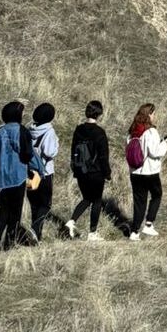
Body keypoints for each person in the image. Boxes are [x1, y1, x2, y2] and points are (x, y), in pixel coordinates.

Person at [0, 101, 34, 251]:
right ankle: (9, 243)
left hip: (2, 178)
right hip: (17, 177)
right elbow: (27, 154)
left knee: (4, 210)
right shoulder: (22, 131)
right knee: (15, 213)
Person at [64, 101, 110, 241]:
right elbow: (103, 156)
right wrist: (107, 173)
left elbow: (73, 150)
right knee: (96, 201)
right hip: (96, 172)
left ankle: (72, 221)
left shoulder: (78, 130)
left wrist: (75, 168)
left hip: (80, 171)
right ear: (99, 114)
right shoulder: (100, 132)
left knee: (86, 198)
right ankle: (92, 233)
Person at [126, 103, 167, 240]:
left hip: (135, 172)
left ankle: (134, 232)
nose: (154, 116)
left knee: (139, 202)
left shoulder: (132, 131)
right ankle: (149, 224)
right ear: (148, 115)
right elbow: (155, 152)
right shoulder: (151, 132)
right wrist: (164, 144)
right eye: (153, 113)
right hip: (149, 172)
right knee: (157, 195)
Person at [27, 103, 59, 242]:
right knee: (45, 205)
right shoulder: (49, 131)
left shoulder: (30, 130)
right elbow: (50, 152)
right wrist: (57, 143)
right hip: (45, 172)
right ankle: (35, 229)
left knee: (34, 205)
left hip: (30, 171)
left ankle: (36, 237)